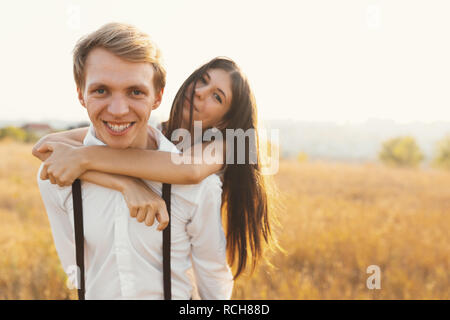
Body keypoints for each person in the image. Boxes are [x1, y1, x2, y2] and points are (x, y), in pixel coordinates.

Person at [34, 26, 281, 287]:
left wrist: (84, 158)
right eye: (203, 80)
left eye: (217, 97)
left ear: (226, 121)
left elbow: (188, 171)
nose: (200, 93)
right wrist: (124, 184)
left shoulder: (221, 148)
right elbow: (47, 147)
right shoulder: (147, 128)